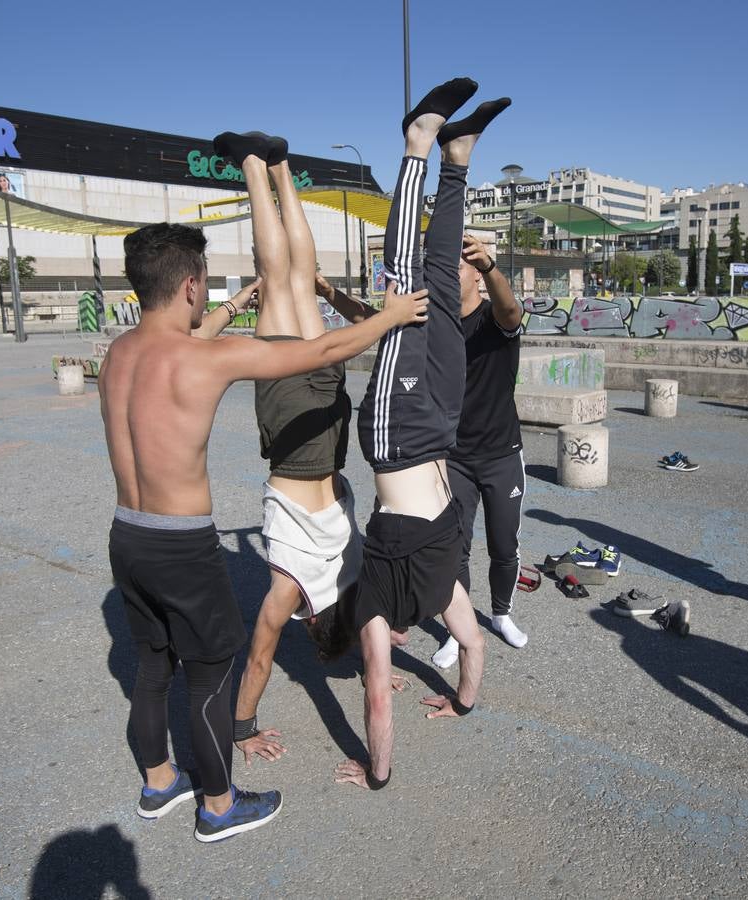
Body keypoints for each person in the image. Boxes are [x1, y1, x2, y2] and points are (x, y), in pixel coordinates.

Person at [99, 195, 428, 840]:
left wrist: (236, 302)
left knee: (153, 668)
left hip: (127, 537)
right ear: (190, 284)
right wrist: (388, 317)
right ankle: (218, 806)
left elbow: (192, 333)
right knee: (209, 675)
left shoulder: (117, 356)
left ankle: (159, 781)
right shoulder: (205, 358)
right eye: (203, 292)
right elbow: (319, 350)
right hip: (183, 547)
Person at [333, 77, 511, 792]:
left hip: (398, 434)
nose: (388, 643)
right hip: (437, 428)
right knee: (439, 277)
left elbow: (391, 688)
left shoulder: (417, 587)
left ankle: (418, 143)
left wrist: (378, 772)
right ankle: (458, 157)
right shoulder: (409, 589)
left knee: (405, 283)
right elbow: (465, 651)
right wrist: (461, 703)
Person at [212, 134, 367, 766]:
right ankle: (253, 165)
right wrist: (242, 727)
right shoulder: (288, 593)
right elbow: (258, 654)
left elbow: (376, 616)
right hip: (290, 423)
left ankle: (280, 166)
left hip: (330, 423)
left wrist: (380, 666)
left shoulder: (353, 564)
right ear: (311, 620)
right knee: (279, 278)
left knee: (300, 280)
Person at [430, 233, 529, 669]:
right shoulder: (437, 325)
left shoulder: (495, 320)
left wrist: (490, 266)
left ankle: (502, 614)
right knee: (456, 548)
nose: (452, 271)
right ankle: (459, 628)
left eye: (459, 264)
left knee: (504, 545)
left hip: (502, 455)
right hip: (456, 458)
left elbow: (513, 311)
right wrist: (330, 292)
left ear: (474, 274)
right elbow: (375, 320)